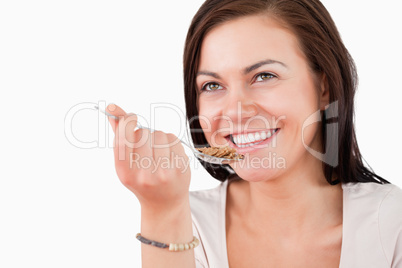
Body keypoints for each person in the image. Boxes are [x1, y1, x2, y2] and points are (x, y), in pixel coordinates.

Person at [106, 0, 402, 267]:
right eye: (212, 85)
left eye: (264, 76)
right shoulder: (184, 225)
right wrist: (163, 212)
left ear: (323, 87)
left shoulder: (392, 226)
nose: (235, 111)